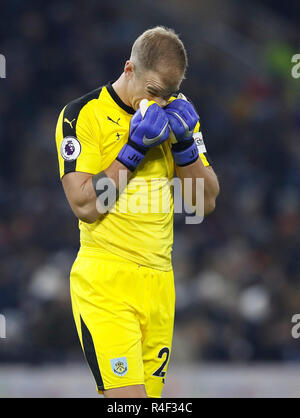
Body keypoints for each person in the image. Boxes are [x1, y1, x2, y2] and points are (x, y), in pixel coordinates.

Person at [55, 26, 219, 398]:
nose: (159, 103)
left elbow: (202, 203)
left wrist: (186, 150)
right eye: (153, 92)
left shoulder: (179, 116)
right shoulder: (83, 115)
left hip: (160, 283)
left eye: (169, 94)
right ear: (129, 69)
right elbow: (83, 205)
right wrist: (133, 148)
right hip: (106, 282)